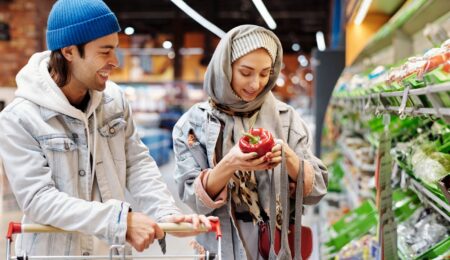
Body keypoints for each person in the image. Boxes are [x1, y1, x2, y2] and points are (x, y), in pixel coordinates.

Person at [0, 0, 215, 257]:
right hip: (53, 253)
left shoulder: (114, 101)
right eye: (105, 51)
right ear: (69, 52)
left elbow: (136, 164)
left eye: (115, 49)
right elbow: (38, 200)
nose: (115, 61)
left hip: (111, 251)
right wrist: (119, 221)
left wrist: (165, 212)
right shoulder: (20, 118)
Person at [172, 25, 328, 259]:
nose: (256, 84)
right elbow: (194, 200)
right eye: (246, 73)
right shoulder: (193, 124)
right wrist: (230, 164)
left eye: (265, 73)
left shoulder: (287, 119)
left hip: (276, 244)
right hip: (220, 244)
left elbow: (317, 190)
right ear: (225, 68)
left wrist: (290, 159)